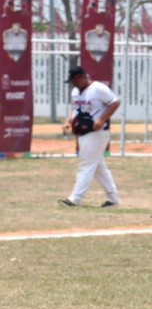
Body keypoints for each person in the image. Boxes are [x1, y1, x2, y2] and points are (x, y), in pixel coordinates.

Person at [59, 65, 121, 208]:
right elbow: (76, 110)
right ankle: (113, 198)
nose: (73, 84)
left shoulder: (98, 88)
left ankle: (75, 199)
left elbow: (115, 102)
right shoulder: (76, 92)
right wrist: (68, 121)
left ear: (81, 77)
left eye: (74, 81)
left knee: (86, 165)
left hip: (97, 133)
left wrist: (101, 119)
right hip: (82, 131)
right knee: (98, 167)